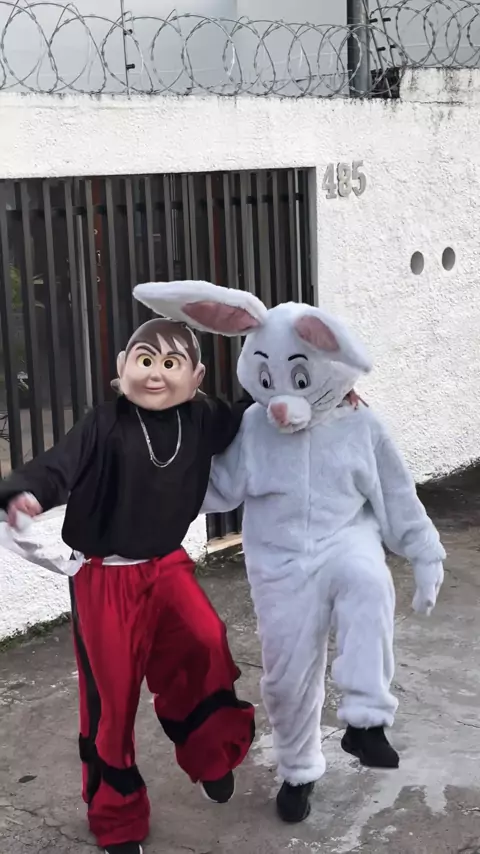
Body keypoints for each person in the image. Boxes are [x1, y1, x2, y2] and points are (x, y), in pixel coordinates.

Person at [131, 279, 445, 826]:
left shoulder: (360, 423)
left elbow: (396, 493)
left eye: (299, 379)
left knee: (369, 583)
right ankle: (299, 771)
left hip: (344, 539)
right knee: (286, 678)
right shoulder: (254, 426)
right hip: (278, 565)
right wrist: (159, 488)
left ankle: (366, 720)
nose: (283, 398)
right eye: (270, 380)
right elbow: (219, 487)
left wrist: (424, 552)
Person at [0, 316, 256, 854]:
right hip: (104, 578)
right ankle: (116, 816)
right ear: (123, 367)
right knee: (112, 698)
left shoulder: (203, 418)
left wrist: (321, 397)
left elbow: (251, 412)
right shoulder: (104, 422)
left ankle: (210, 755)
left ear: (195, 377)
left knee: (206, 641)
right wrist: (26, 494)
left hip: (167, 565)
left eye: (170, 363)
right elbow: (57, 466)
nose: (155, 374)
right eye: (145, 360)